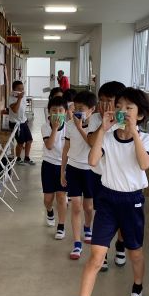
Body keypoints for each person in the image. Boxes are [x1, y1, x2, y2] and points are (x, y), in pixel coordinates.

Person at [73, 88, 149, 296]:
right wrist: (103, 131)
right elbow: (93, 161)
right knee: (96, 257)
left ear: (140, 115)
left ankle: (137, 288)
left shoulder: (147, 139)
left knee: (135, 253)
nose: (122, 111)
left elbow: (144, 164)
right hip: (108, 200)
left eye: (129, 108)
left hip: (132, 201)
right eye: (119, 107)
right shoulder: (107, 137)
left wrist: (134, 133)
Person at [88, 81, 127, 272]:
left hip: (120, 177)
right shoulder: (96, 118)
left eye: (109, 101)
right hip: (99, 176)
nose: (104, 105)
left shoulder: (124, 119)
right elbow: (90, 141)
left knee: (122, 217)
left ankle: (120, 244)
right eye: (101, 100)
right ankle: (102, 252)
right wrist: (104, 126)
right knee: (101, 215)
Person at [61, 91, 97, 260]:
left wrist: (80, 127)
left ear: (92, 110)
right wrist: (62, 171)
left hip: (90, 170)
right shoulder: (69, 125)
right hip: (73, 168)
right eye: (75, 108)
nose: (77, 112)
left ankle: (87, 227)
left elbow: (92, 145)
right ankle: (76, 243)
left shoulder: (96, 126)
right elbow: (66, 149)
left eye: (81, 109)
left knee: (88, 207)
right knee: (76, 205)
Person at [41, 96, 68, 239]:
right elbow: (49, 145)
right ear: (49, 112)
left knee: (61, 197)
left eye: (60, 110)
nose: (57, 113)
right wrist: (55, 129)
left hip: (64, 166)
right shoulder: (45, 127)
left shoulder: (69, 128)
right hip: (48, 165)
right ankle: (49, 210)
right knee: (48, 199)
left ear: (65, 112)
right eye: (54, 110)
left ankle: (61, 226)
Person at [8, 81, 35, 165]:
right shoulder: (11, 98)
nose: (21, 90)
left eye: (22, 89)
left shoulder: (23, 96)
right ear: (14, 89)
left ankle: (27, 158)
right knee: (20, 142)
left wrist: (25, 119)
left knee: (29, 140)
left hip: (23, 122)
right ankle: (18, 159)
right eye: (19, 89)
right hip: (15, 124)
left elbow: (22, 110)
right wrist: (19, 99)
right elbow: (15, 110)